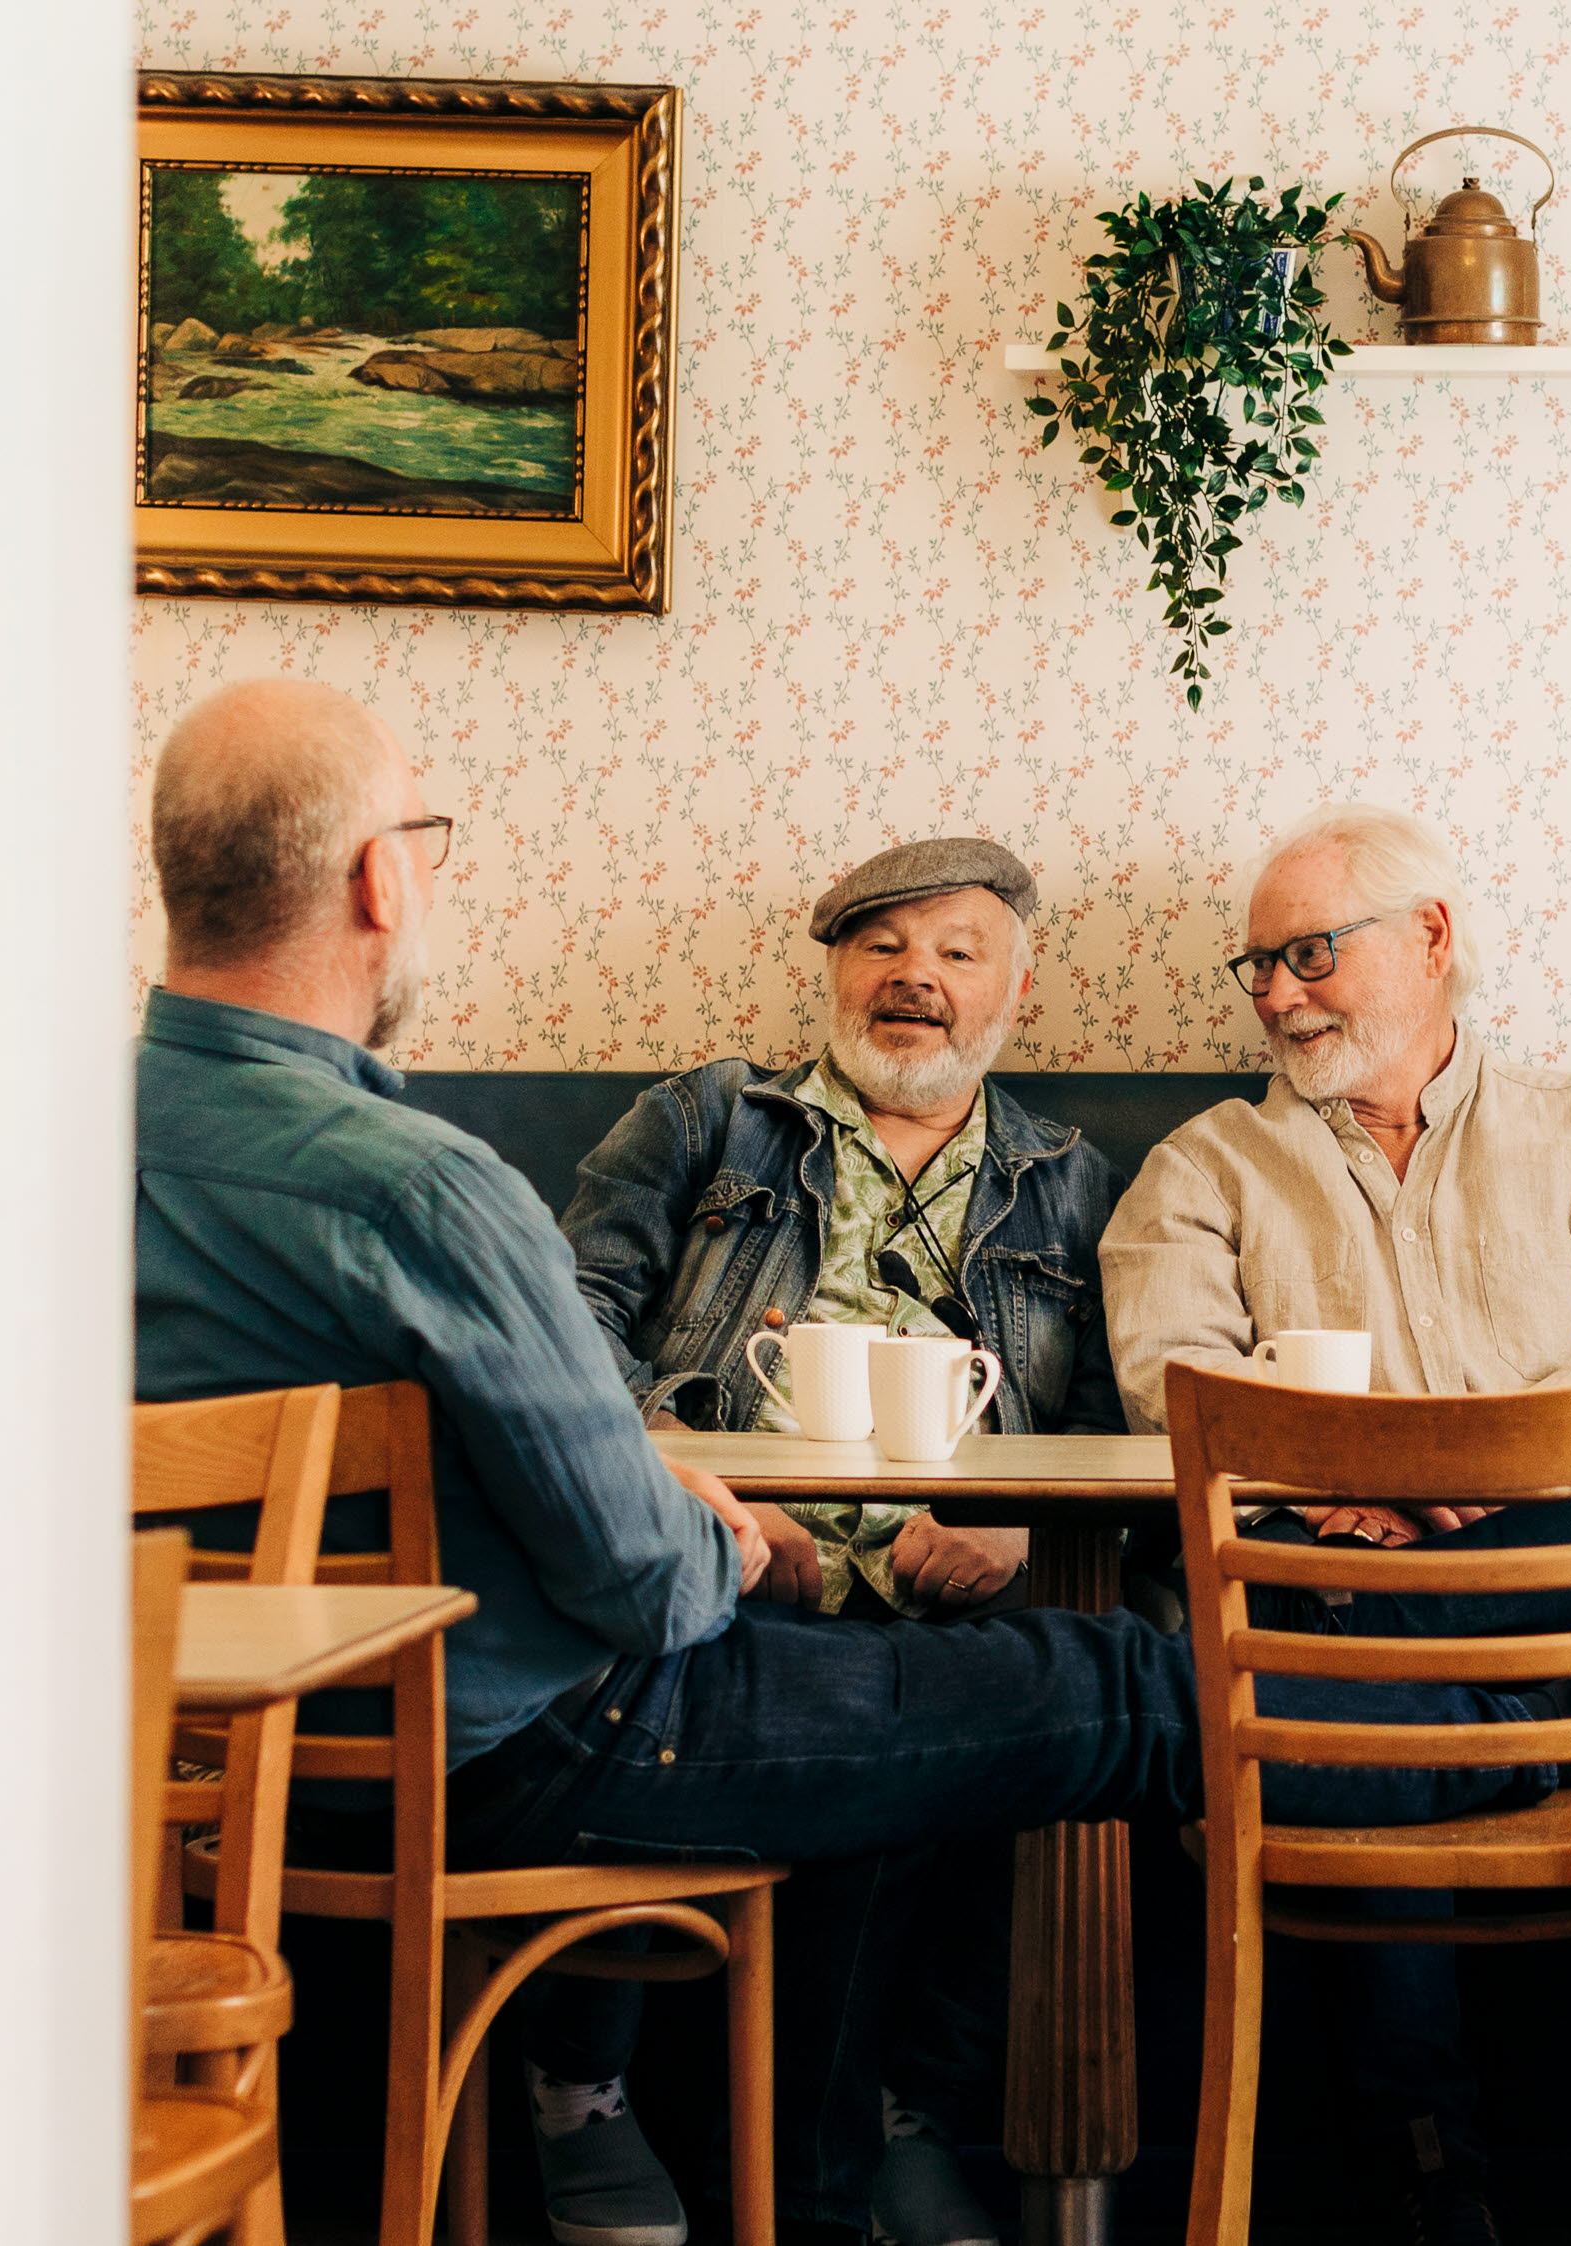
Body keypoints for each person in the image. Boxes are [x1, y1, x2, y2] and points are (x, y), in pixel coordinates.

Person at [132, 684, 1559, 2246]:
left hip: (215, 1762)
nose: (915, 976)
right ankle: (1540, 1739)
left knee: (940, 1681)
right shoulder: (433, 1186)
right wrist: (720, 1534)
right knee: (1121, 1691)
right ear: (379, 883)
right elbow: (634, 1573)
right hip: (546, 1736)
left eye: (955, 950)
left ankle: (839, 2164)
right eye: (432, 842)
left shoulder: (42, 1136)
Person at [1098, 804, 1571, 2246]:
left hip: (1526, 1564)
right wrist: (1375, 1477)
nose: (1273, 992)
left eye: (1308, 951)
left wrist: (1474, 1475)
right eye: (1254, 965)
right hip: (1326, 1578)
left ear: (1430, 939)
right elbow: (1174, 1380)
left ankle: (1428, 2166)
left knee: (1364, 1708)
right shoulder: (1202, 1170)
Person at [554, 839, 1121, 2244]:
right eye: (882, 944)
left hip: (949, 1586)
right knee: (790, 1686)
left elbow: (1112, 1410)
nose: (915, 975)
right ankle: (660, 2112)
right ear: (832, 969)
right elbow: (567, 1324)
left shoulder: (1065, 1177)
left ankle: (869, 2130)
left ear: (1018, 986)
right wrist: (702, 1493)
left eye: (956, 949)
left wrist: (1018, 1531)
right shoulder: (707, 1120)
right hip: (733, 1565)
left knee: (1044, 1677)